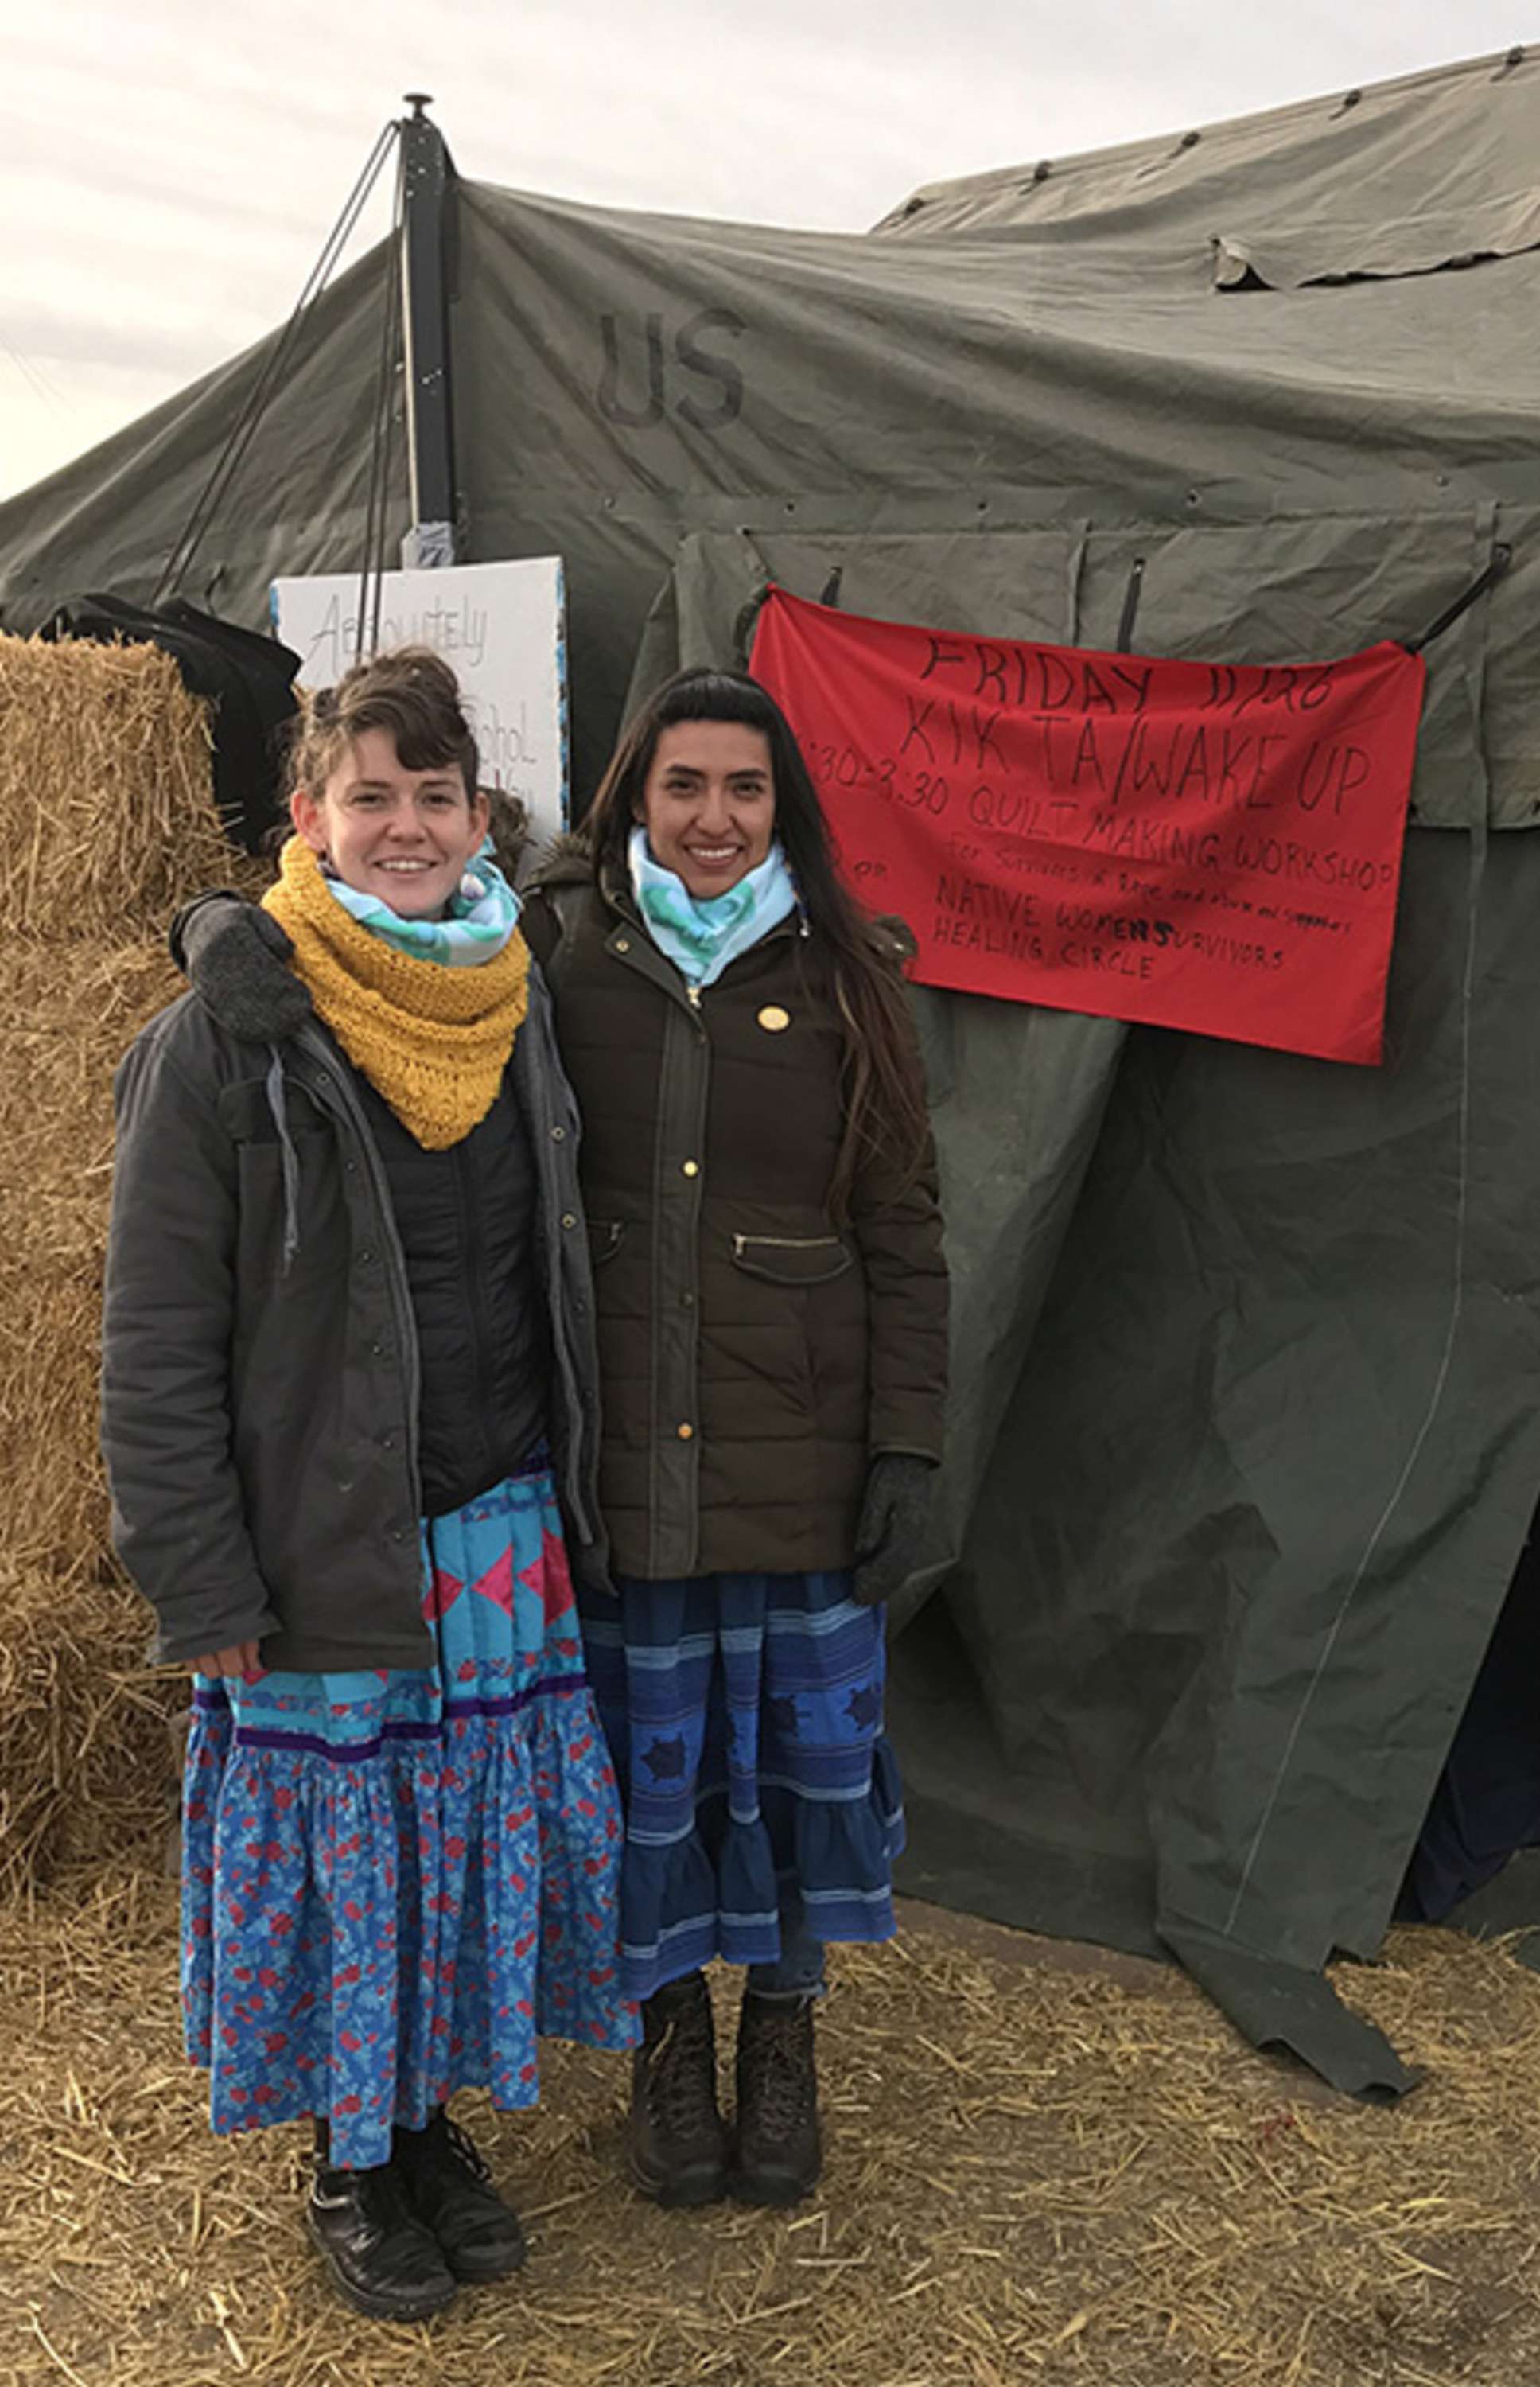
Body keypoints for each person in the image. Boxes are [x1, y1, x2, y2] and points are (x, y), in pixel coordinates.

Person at [103, 649, 633, 2323]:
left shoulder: (512, 996)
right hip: (326, 1534)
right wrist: (200, 1581)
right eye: (371, 796)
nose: (406, 826)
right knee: (349, 1857)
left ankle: (429, 2128)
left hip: (493, 1518)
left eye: (435, 795)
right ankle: (350, 2150)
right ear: (307, 820)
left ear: (479, 816)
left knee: (454, 1839)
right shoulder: (220, 1041)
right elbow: (156, 1341)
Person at [520, 666, 946, 2212]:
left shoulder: (845, 976)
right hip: (624, 1461)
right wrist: (212, 927)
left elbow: (904, 1228)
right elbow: (380, 961)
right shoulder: (556, 957)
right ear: (636, 794)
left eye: (745, 790)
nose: (713, 818)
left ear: (786, 809)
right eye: (684, 785)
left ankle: (782, 2039)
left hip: (801, 1461)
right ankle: (667, 2048)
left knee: (790, 1773)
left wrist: (906, 1444)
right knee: (653, 1777)